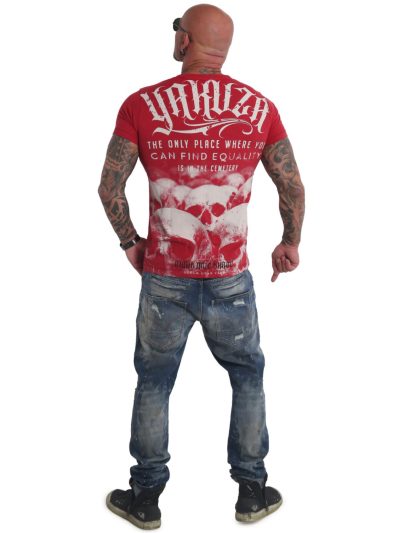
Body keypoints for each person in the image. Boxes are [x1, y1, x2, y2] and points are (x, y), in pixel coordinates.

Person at [98, 3, 305, 529]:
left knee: (153, 382)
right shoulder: (259, 107)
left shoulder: (141, 105)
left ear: (185, 41)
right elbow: (292, 185)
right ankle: (252, 491)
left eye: (177, 31)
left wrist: (130, 242)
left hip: (164, 276)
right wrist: (290, 242)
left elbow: (109, 186)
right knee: (247, 376)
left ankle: (145, 497)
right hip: (230, 278)